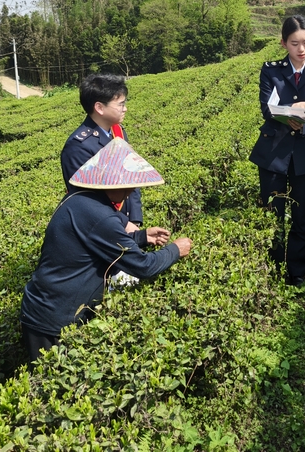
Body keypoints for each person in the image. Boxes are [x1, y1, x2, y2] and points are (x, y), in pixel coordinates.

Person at [20, 138, 193, 362]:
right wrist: (176, 250)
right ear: (113, 183)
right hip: (52, 320)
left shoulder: (79, 199)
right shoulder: (100, 215)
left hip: (46, 307)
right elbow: (143, 266)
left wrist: (141, 236)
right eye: (129, 185)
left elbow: (96, 242)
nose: (131, 192)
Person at [249, 16, 305, 286]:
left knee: (301, 214)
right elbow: (266, 106)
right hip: (273, 151)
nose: (301, 49)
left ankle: (297, 271)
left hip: (304, 153)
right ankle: (273, 267)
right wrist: (294, 111)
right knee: (273, 212)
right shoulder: (271, 70)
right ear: (283, 43)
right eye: (294, 43)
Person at [61, 74, 142, 226]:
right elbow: (88, 200)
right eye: (120, 104)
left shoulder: (118, 132)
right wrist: (124, 224)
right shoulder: (78, 147)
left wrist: (135, 220)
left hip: (126, 224)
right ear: (99, 107)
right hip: (101, 228)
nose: (125, 109)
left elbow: (132, 177)